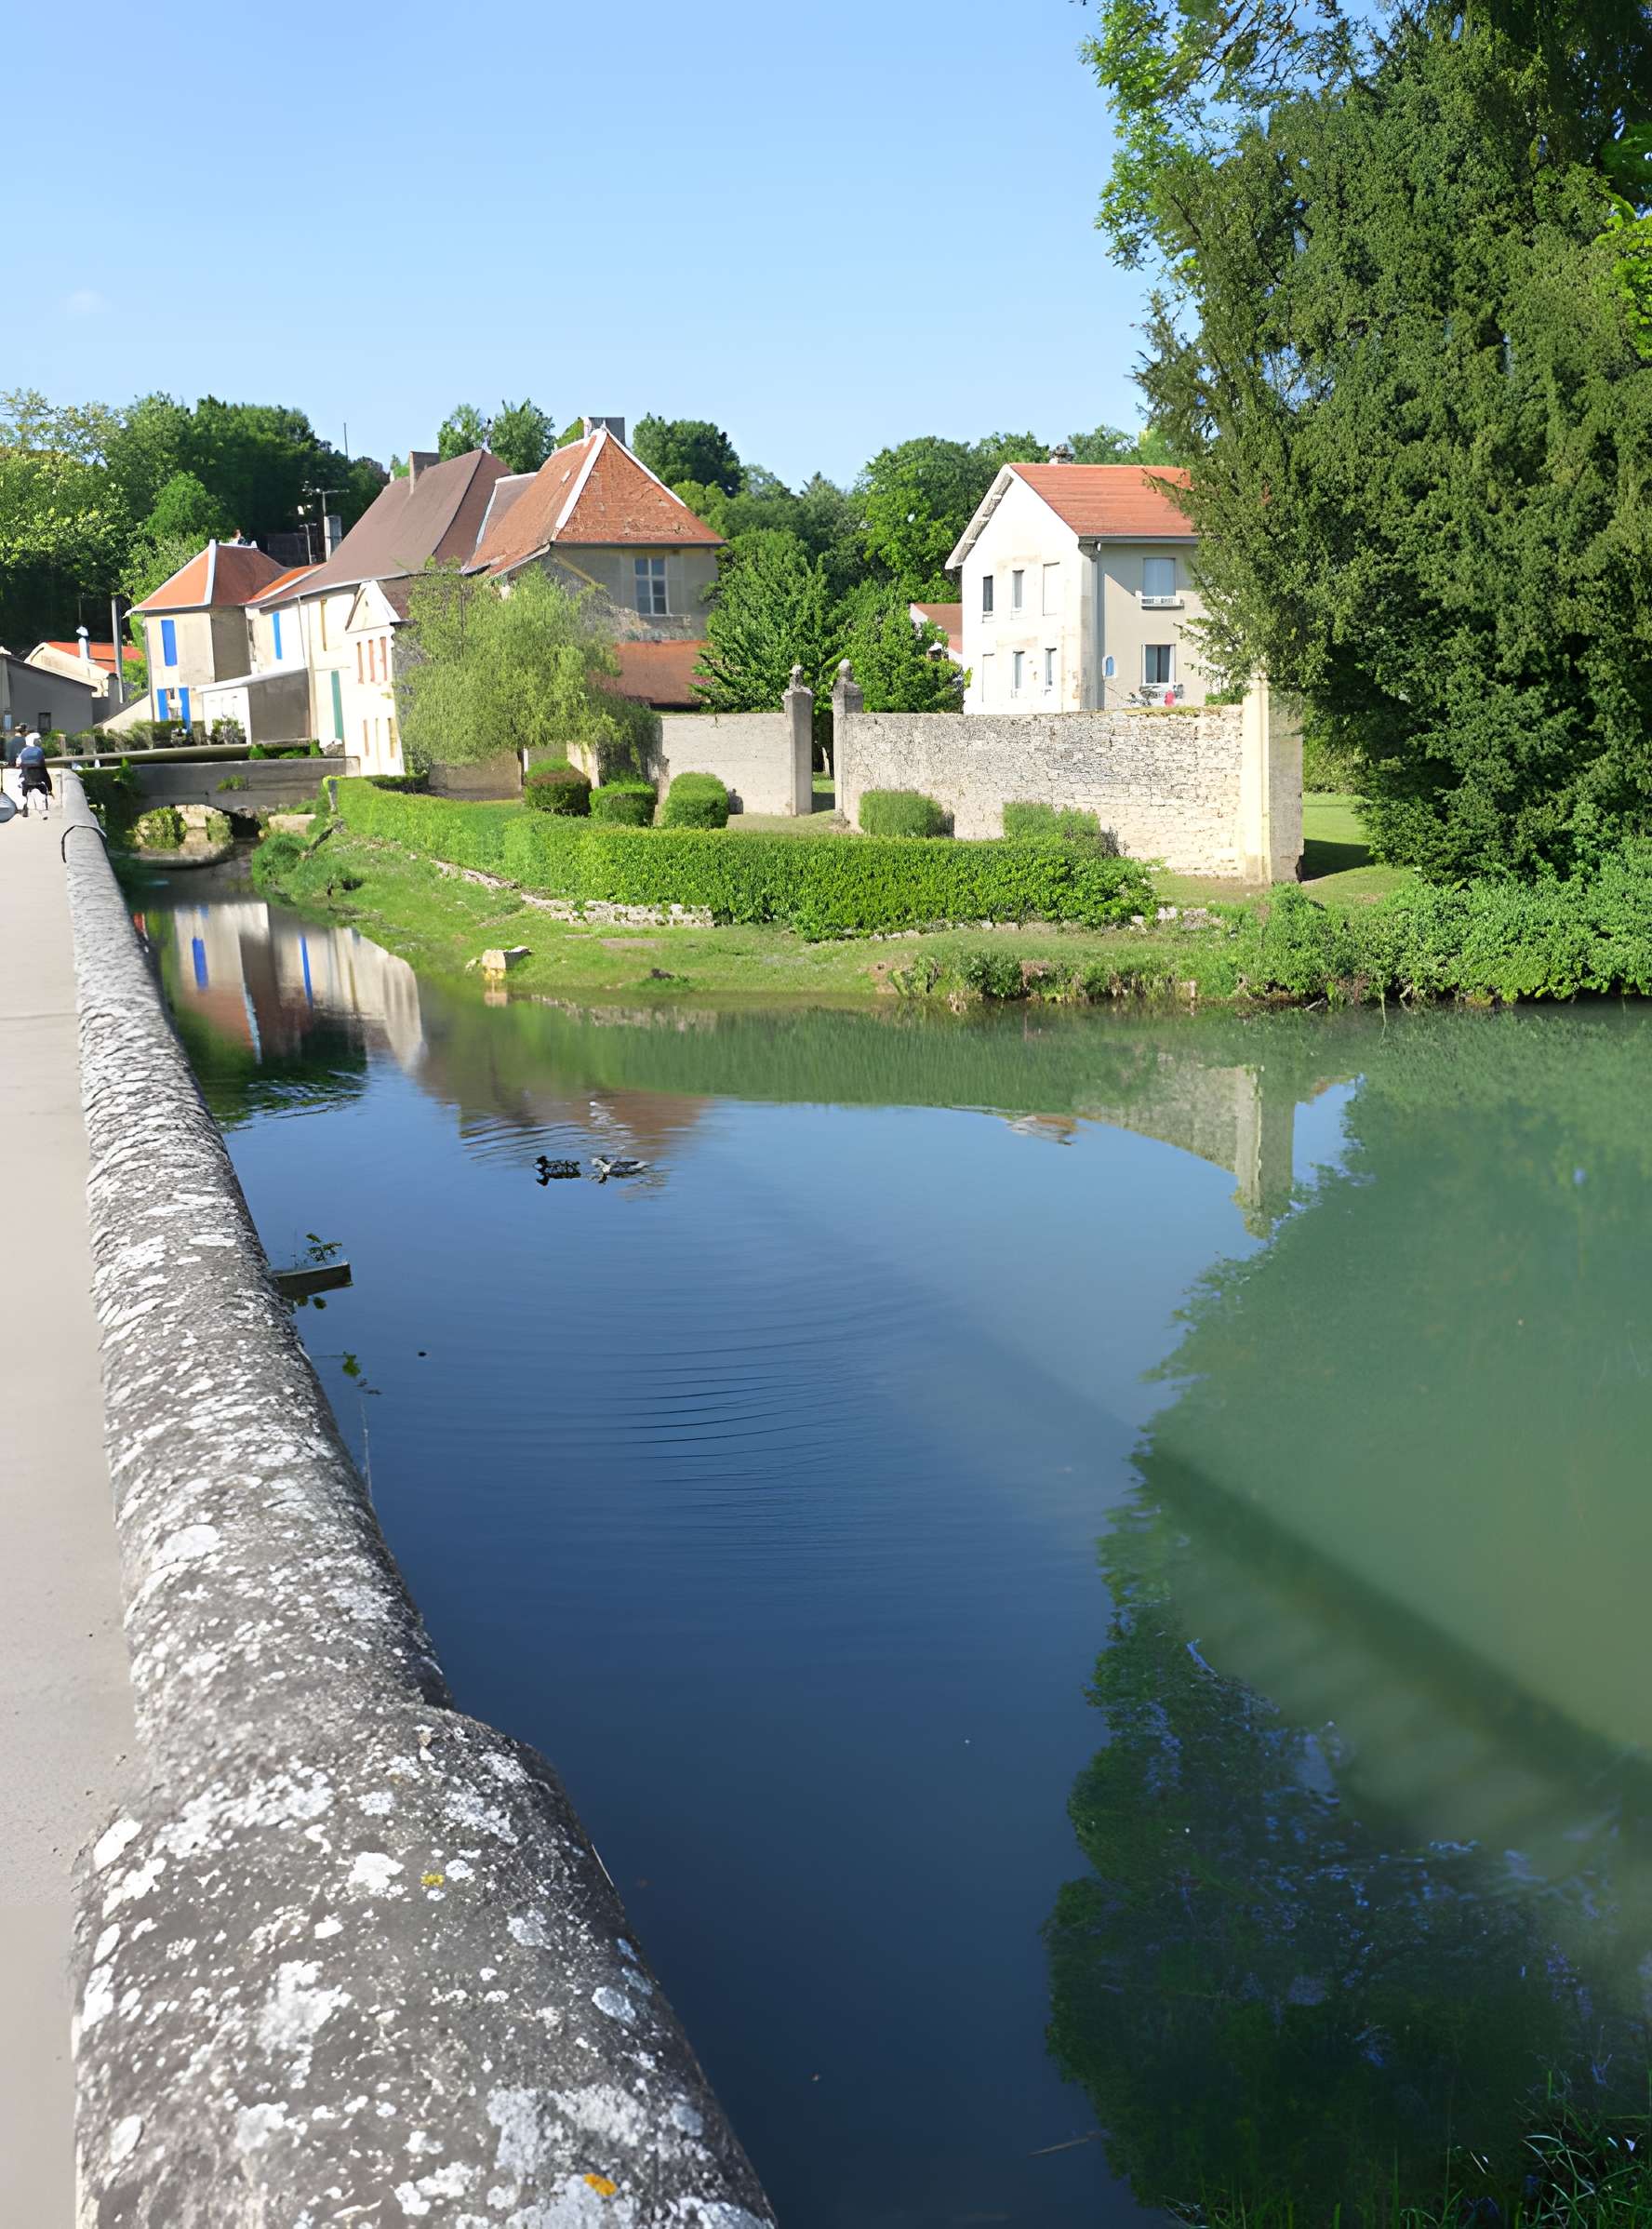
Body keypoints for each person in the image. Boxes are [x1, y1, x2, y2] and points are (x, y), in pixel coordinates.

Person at [17, 730, 51, 820]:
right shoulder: (40, 752)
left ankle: (24, 804)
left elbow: (18, 763)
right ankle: (44, 809)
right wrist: (50, 787)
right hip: (39, 780)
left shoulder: (23, 752)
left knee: (20, 783)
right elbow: (44, 771)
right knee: (44, 790)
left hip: (26, 780)